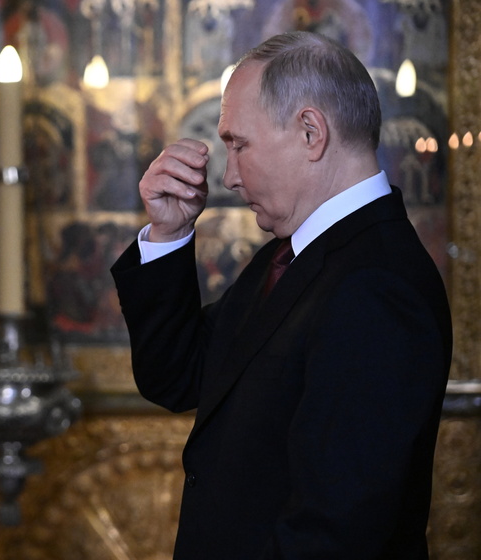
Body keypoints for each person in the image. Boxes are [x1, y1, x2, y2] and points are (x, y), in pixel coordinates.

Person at [111, 31, 452, 559]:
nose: (227, 177)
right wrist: (168, 235)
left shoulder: (377, 286)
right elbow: (177, 376)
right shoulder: (296, 254)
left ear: (311, 133)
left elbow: (335, 532)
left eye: (239, 145)